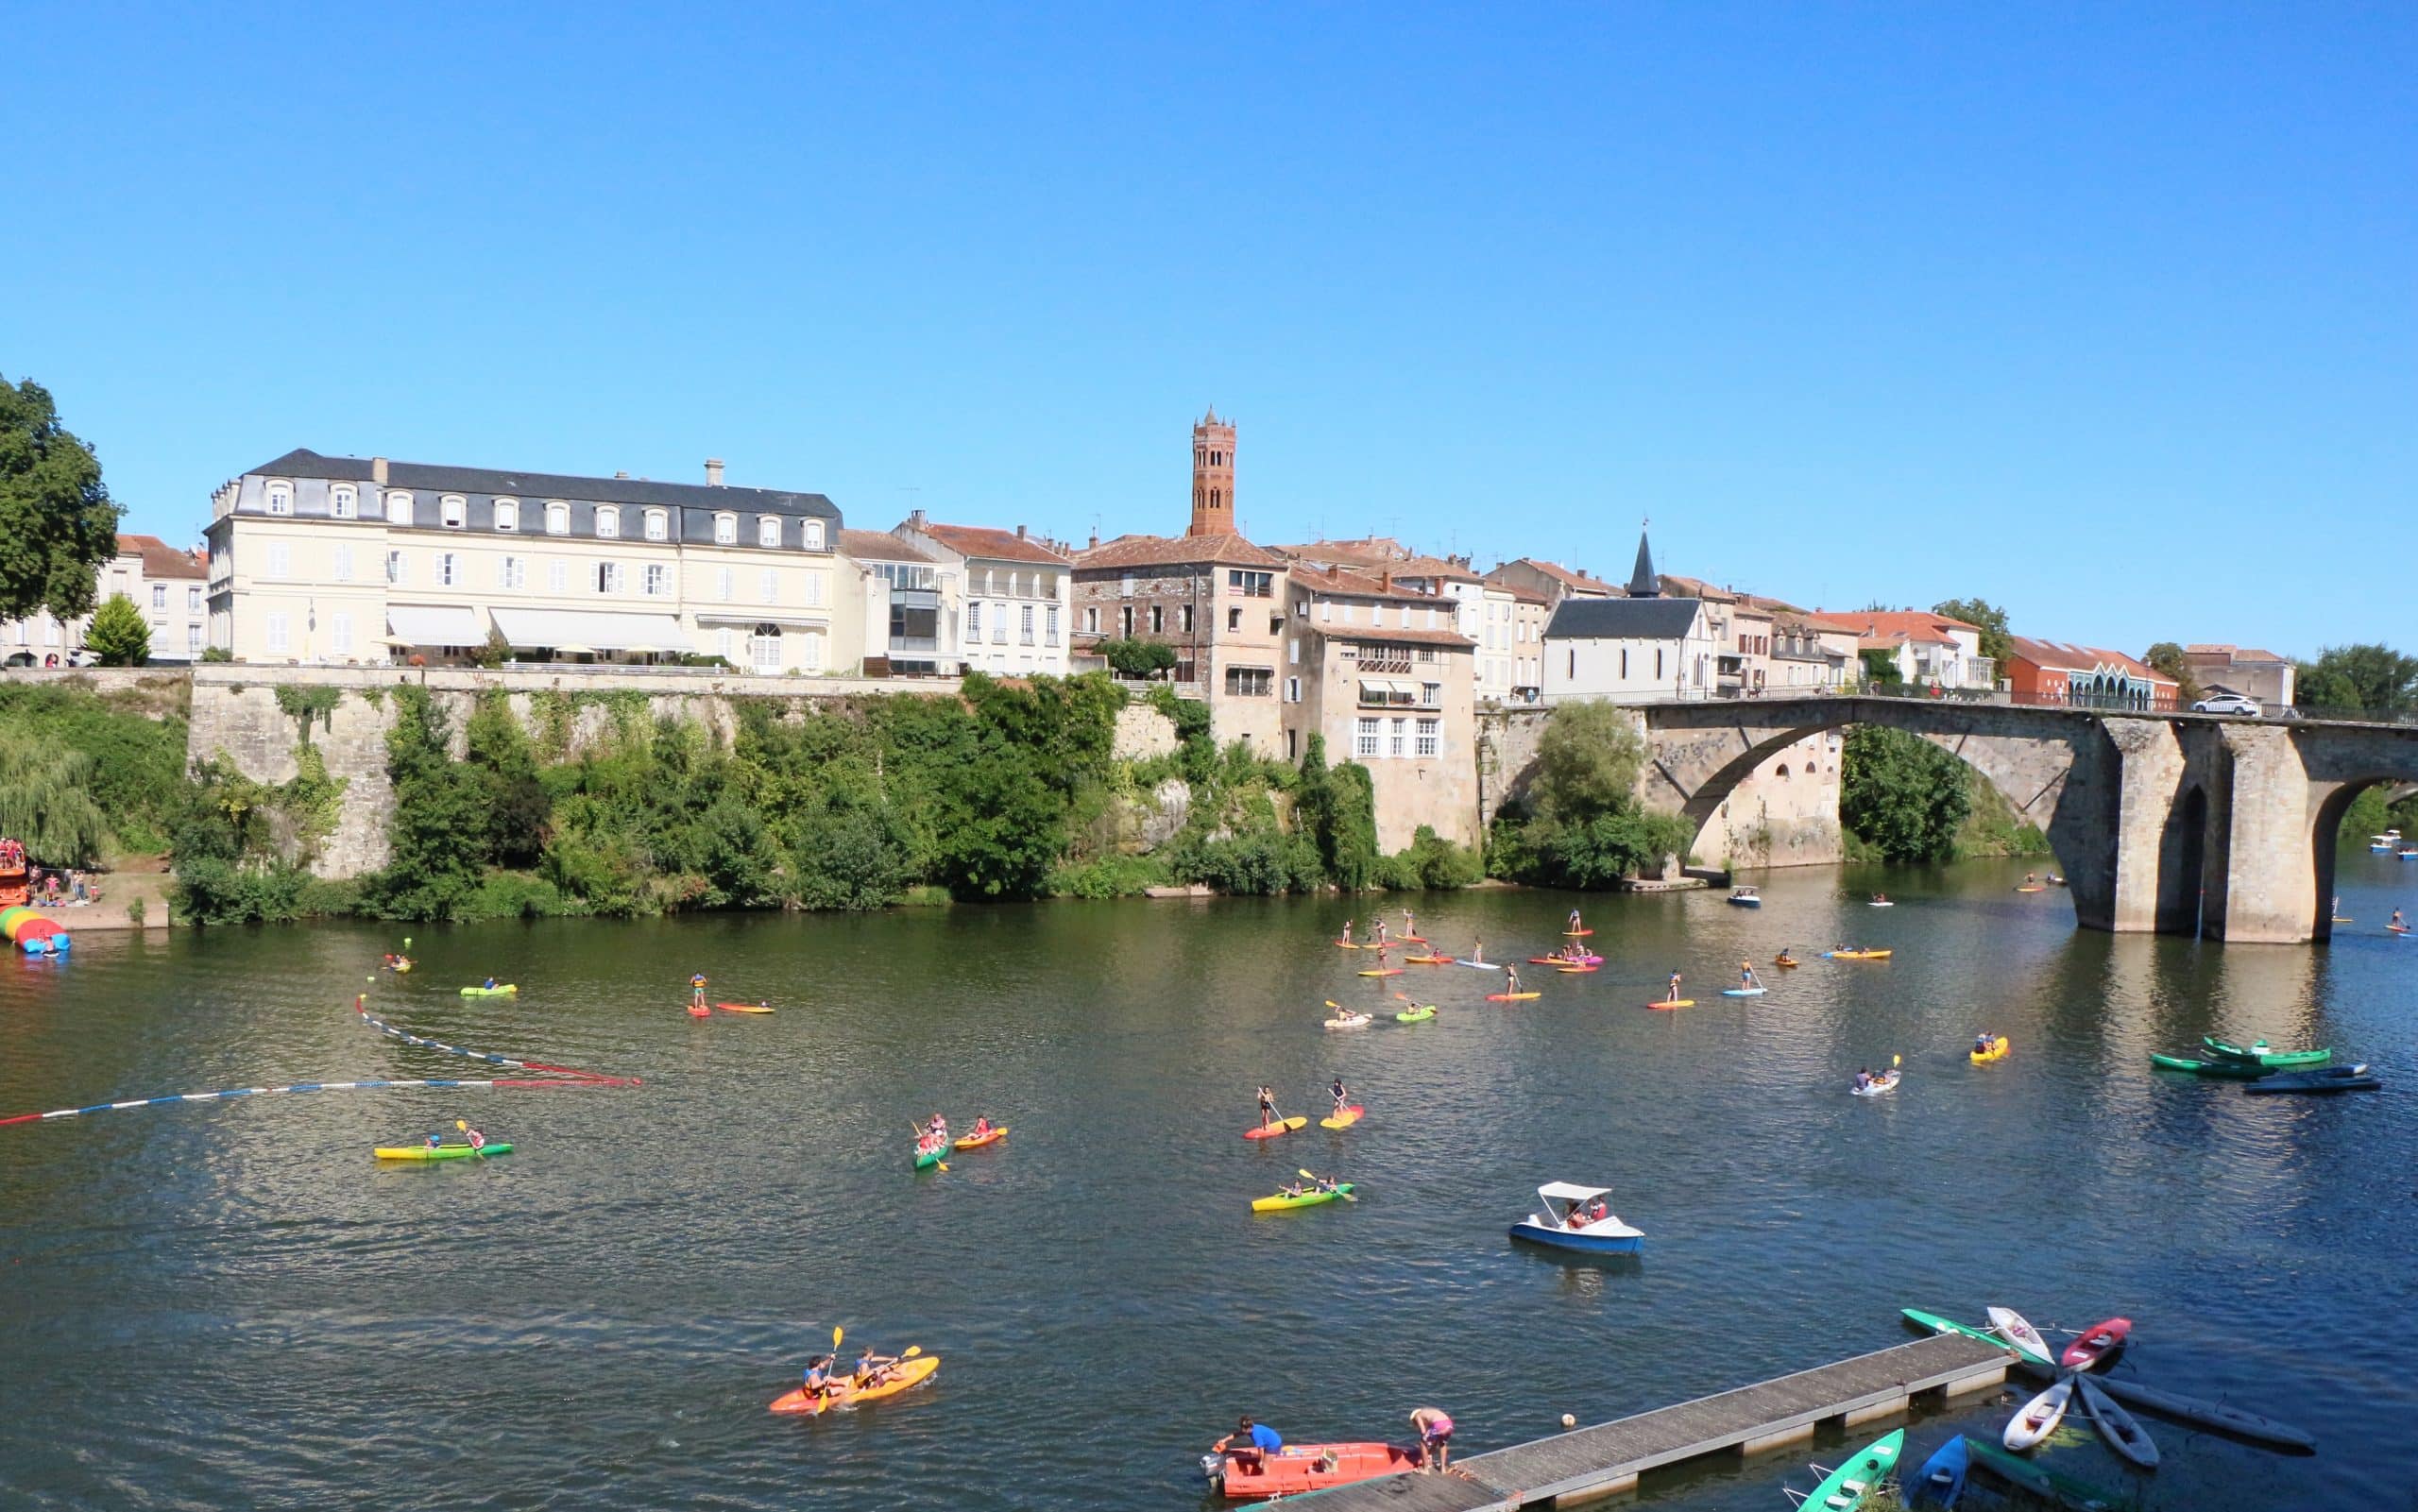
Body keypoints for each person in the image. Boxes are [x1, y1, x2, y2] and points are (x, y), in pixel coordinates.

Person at [1214, 1416, 1284, 1462]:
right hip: (1269, 1442)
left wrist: (1261, 1461)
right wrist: (1224, 1440)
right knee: (1260, 1459)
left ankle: (1264, 1480)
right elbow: (1236, 1435)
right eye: (1241, 1428)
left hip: (1274, 1445)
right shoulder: (1250, 1429)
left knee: (1264, 1466)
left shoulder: (1256, 1435)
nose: (1242, 1430)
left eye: (1243, 1429)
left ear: (1249, 1428)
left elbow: (1261, 1450)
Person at [1410, 1406, 1455, 1471]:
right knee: (1442, 1443)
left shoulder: (1417, 1415)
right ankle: (1443, 1469)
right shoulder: (1429, 1412)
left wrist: (1424, 1438)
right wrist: (1430, 1454)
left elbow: (1423, 1432)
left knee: (1423, 1442)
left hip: (1439, 1425)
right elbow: (1435, 1439)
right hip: (1449, 1425)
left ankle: (1425, 1469)